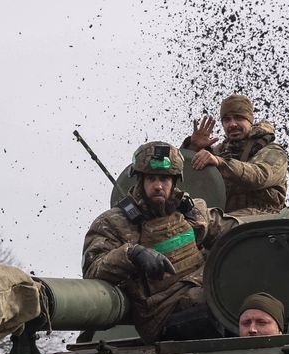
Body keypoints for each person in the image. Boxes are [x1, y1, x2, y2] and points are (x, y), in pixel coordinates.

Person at [81, 141, 234, 343]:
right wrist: (131, 255)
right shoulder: (112, 222)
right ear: (140, 181)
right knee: (221, 313)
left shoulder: (193, 211)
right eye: (151, 179)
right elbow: (92, 270)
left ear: (175, 182)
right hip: (165, 312)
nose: (158, 186)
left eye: (164, 179)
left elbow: (231, 235)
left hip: (205, 290)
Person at [184, 94, 288, 216]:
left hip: (263, 216)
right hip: (222, 217)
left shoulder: (272, 151)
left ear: (250, 121)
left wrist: (221, 163)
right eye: (227, 119)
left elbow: (260, 176)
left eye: (239, 118)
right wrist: (193, 149)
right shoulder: (219, 152)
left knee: (212, 224)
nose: (232, 124)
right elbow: (186, 183)